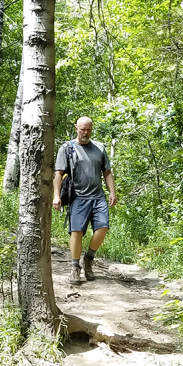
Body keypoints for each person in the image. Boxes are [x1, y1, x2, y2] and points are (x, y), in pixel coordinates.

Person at [53, 116, 117, 284]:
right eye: (82, 129)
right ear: (76, 128)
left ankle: (88, 259)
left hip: (98, 196)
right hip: (78, 197)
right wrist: (56, 195)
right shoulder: (67, 148)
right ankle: (75, 267)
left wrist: (112, 192)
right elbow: (58, 173)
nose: (85, 133)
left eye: (88, 129)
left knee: (103, 228)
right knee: (77, 232)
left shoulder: (99, 148)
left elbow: (107, 172)